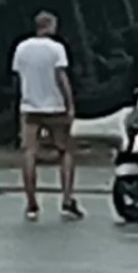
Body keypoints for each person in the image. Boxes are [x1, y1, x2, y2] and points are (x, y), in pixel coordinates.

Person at [11, 11, 85, 222]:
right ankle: (67, 201)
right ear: (50, 26)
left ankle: (32, 204)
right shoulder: (56, 48)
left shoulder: (21, 48)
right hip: (55, 107)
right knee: (66, 151)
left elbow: (18, 77)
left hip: (29, 107)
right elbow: (61, 77)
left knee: (29, 152)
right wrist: (70, 105)